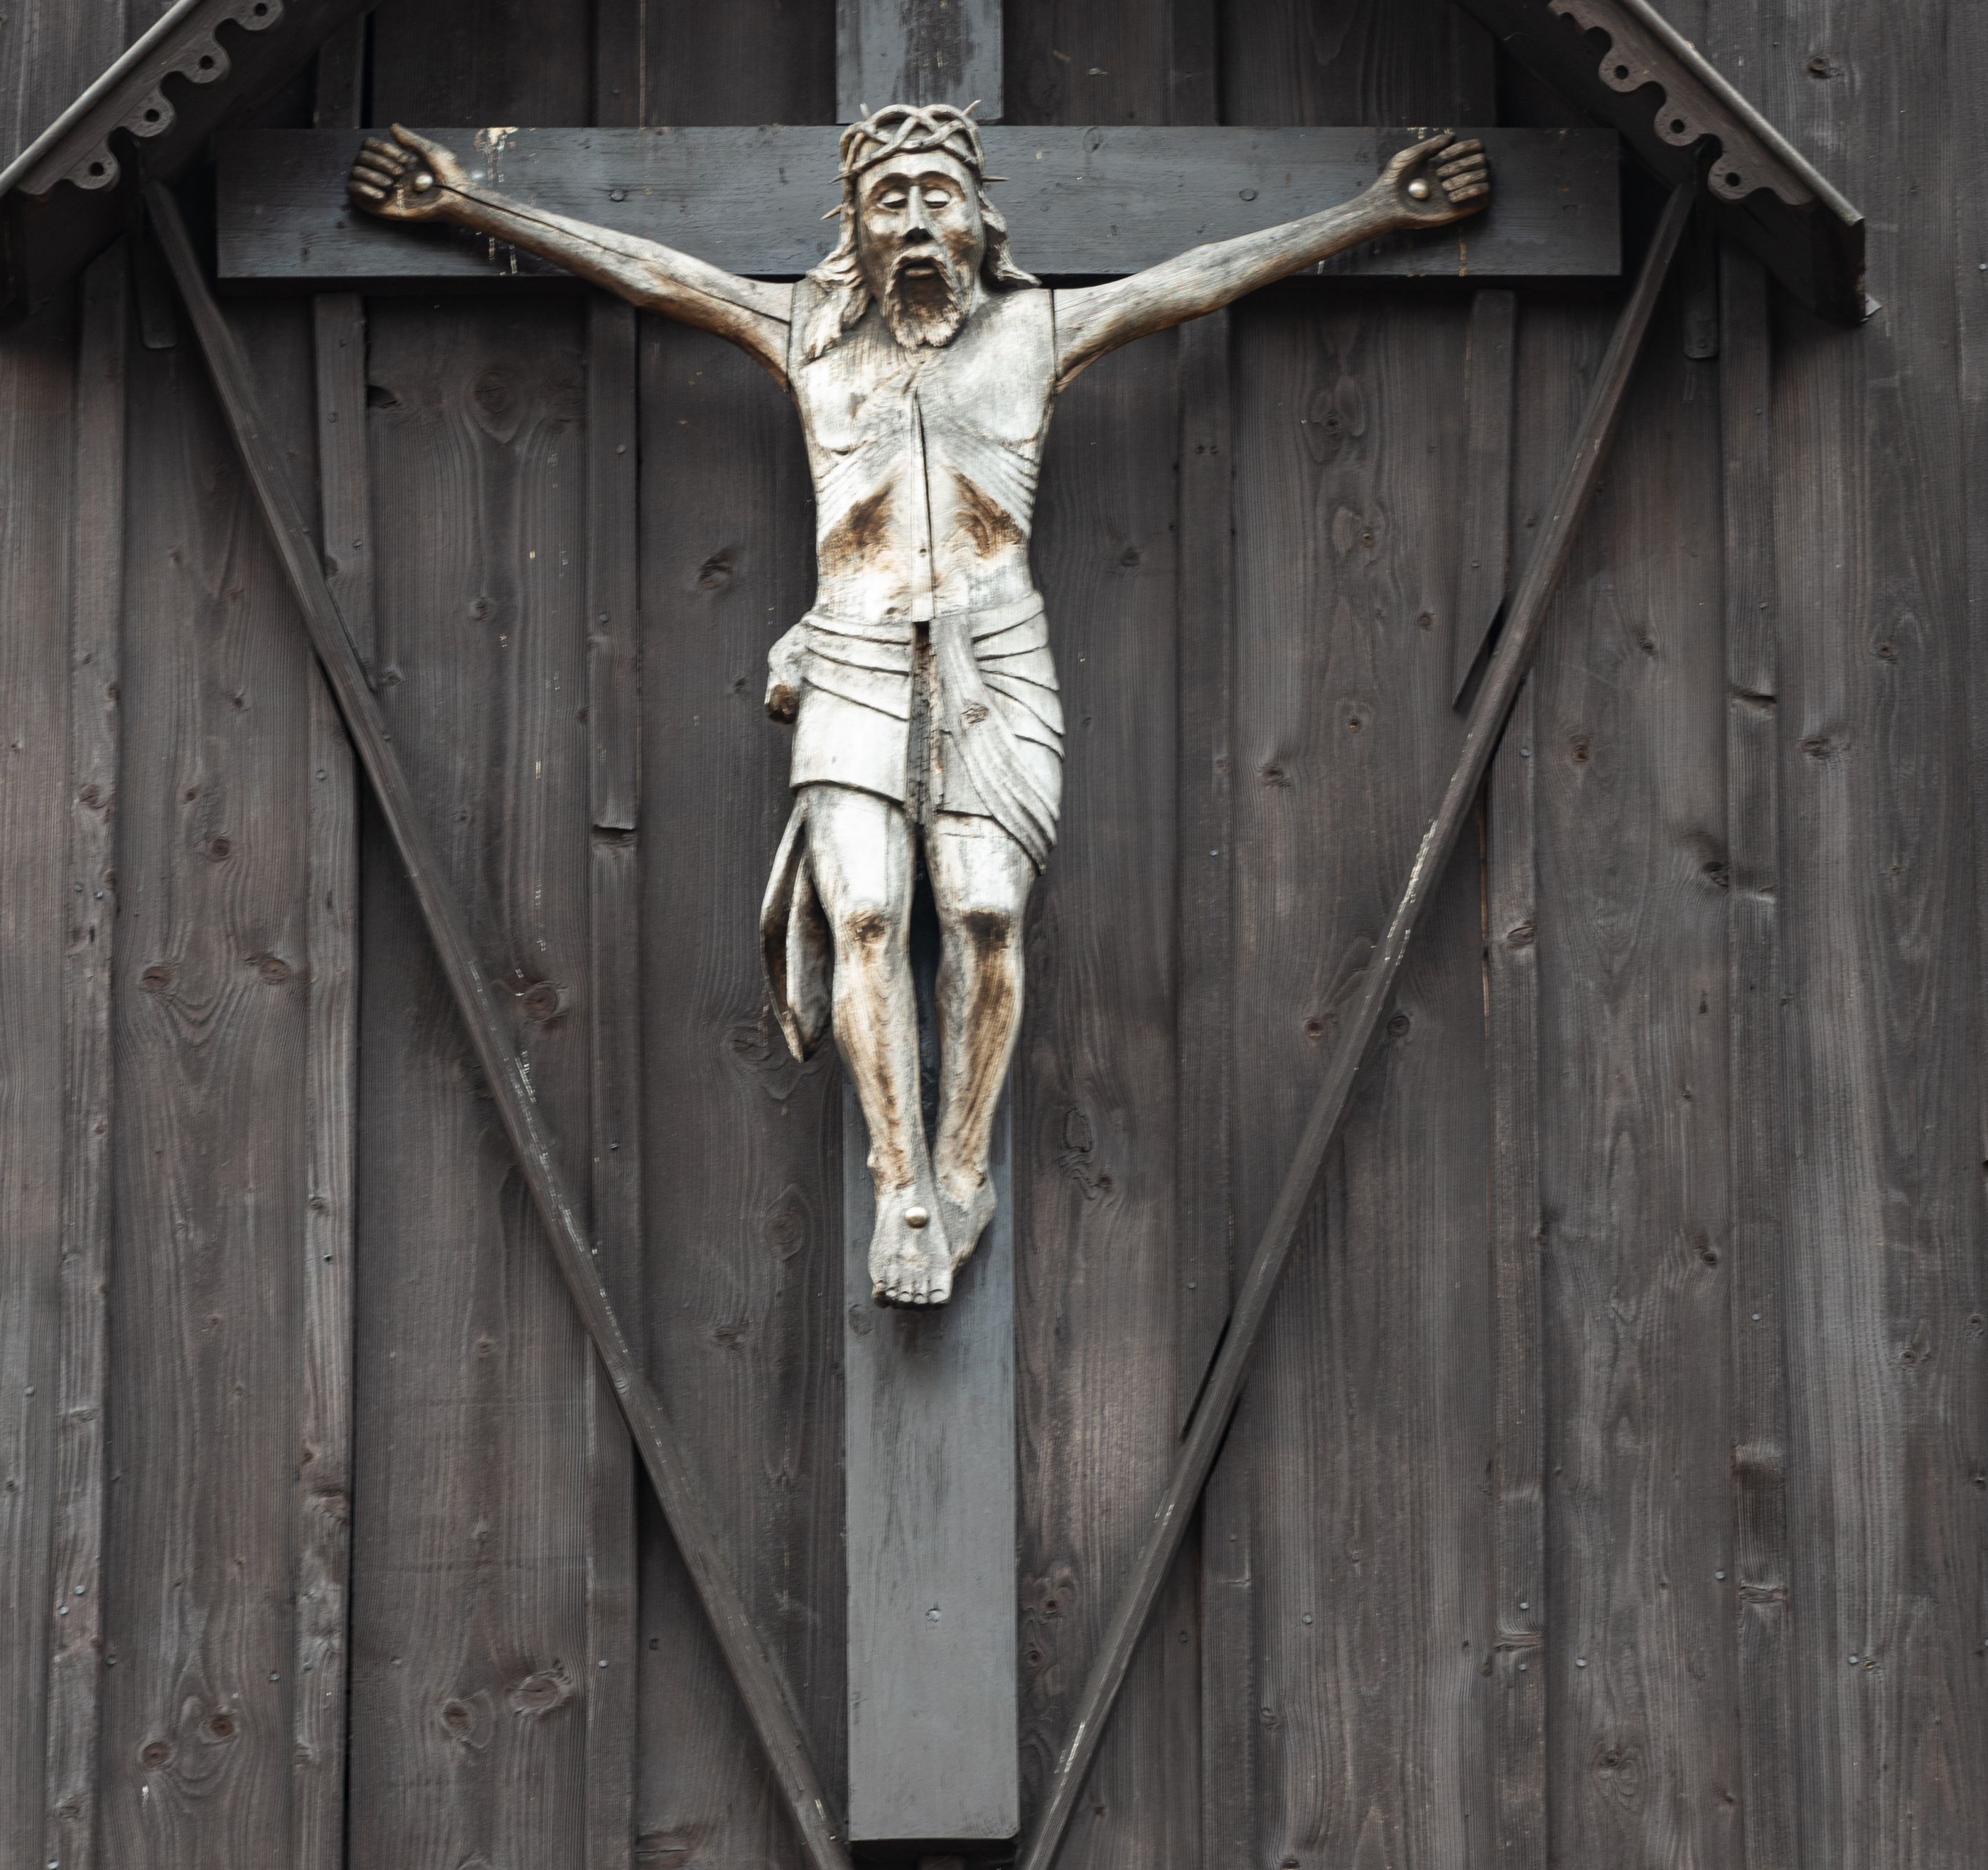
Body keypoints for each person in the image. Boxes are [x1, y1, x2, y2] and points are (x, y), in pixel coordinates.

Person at [349, 104, 1489, 1302]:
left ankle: (963, 1167)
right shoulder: (804, 330)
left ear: (981, 219)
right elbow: (652, 273)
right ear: (854, 226)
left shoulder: (1038, 331)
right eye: (888, 202)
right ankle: (901, 1188)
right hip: (852, 646)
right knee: (868, 916)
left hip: (996, 657)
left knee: (987, 913)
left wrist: (1373, 212)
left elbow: (1196, 281)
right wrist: (468, 203)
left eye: (938, 197)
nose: (915, 223)